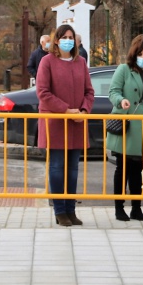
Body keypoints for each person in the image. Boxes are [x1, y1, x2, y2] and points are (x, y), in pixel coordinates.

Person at [36, 24, 94, 226]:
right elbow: (43, 92)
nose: (68, 40)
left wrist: (84, 111)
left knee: (73, 169)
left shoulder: (80, 63)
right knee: (57, 167)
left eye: (71, 37)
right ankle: (59, 210)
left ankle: (71, 210)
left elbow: (89, 91)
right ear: (57, 40)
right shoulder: (47, 62)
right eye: (64, 37)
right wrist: (66, 110)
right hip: (56, 123)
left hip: (77, 123)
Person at [107, 35, 143, 222]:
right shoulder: (124, 70)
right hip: (128, 126)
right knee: (122, 167)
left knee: (138, 169)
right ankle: (119, 207)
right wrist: (120, 100)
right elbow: (113, 91)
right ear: (134, 53)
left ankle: (136, 208)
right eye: (140, 54)